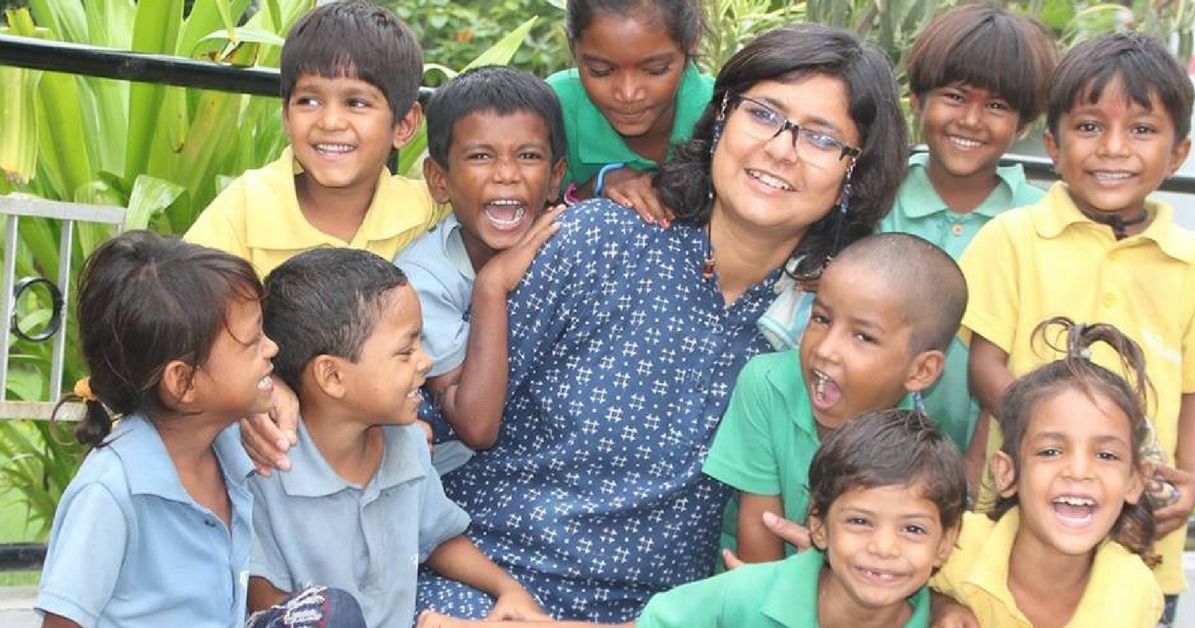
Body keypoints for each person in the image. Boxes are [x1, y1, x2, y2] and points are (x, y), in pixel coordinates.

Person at [244, 21, 906, 622]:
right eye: (763, 115)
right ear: (722, 120)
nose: (782, 150)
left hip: (659, 613)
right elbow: (421, 412)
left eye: (821, 137)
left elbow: (901, 483)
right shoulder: (598, 243)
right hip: (485, 585)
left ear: (855, 172)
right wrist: (274, 391)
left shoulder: (833, 317)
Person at [957, 32, 1195, 624]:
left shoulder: (1192, 265)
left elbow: (1194, 394)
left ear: (1178, 154)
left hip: (1140, 543)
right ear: (1053, 145)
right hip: (1011, 536)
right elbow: (984, 367)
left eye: (1142, 129)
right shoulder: (1012, 239)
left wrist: (1190, 480)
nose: (1113, 148)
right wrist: (1063, 435)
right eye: (1090, 126)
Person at [35, 231, 364, 628]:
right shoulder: (110, 491)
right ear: (183, 383)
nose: (271, 348)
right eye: (252, 341)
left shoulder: (230, 448)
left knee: (331, 613)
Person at [415, 408, 967, 628]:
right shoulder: (749, 595)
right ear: (818, 524)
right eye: (861, 522)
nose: (885, 548)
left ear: (946, 545)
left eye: (913, 529)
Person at [249, 248, 546, 628]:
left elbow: (438, 538)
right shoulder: (267, 469)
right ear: (332, 377)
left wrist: (508, 589)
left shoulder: (404, 441)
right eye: (405, 351)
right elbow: (269, 606)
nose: (424, 362)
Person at [703, 232, 967, 564]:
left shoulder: (919, 454)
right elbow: (760, 529)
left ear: (921, 372)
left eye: (863, 336)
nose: (826, 350)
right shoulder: (767, 383)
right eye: (821, 319)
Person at [875, 3, 1056, 451]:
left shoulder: (1044, 222)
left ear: (1024, 124)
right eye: (955, 96)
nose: (971, 120)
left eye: (996, 105)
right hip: (869, 458)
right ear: (917, 99)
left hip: (993, 463)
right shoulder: (874, 197)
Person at [185, 0, 446, 278]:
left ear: (404, 125)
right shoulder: (247, 207)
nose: (330, 122)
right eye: (309, 101)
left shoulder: (427, 210)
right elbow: (184, 302)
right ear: (286, 115)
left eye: (356, 103)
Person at [932, 318, 1163, 627]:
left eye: (1106, 455)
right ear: (1007, 473)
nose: (1079, 471)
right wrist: (938, 606)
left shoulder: (1134, 590)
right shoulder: (954, 545)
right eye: (1050, 451)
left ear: (1134, 482)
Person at [395, 65, 567, 474]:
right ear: (439, 179)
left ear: (555, 176)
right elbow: (476, 426)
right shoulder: (422, 279)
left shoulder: (570, 243)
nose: (506, 174)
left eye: (528, 156)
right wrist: (490, 287)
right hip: (457, 478)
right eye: (480, 156)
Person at [550, 0, 713, 225]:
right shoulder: (555, 109)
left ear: (690, 43)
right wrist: (598, 184)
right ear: (573, 46)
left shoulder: (722, 113)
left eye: (655, 70)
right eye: (601, 71)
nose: (628, 94)